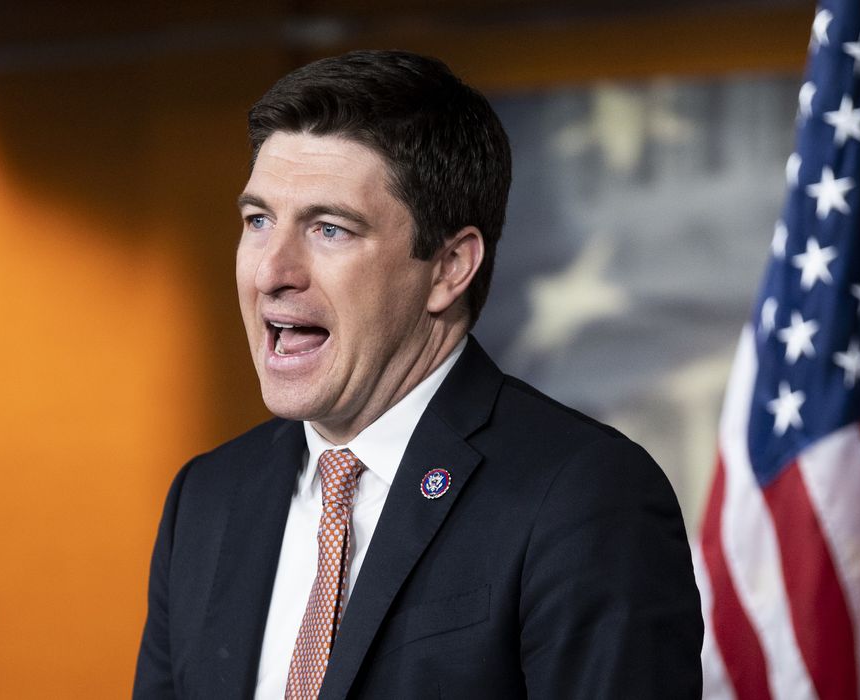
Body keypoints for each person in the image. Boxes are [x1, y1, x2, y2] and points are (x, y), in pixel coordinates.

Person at [133, 49, 702, 699]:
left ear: (449, 267)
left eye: (329, 229)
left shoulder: (584, 496)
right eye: (258, 221)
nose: (271, 271)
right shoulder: (207, 498)